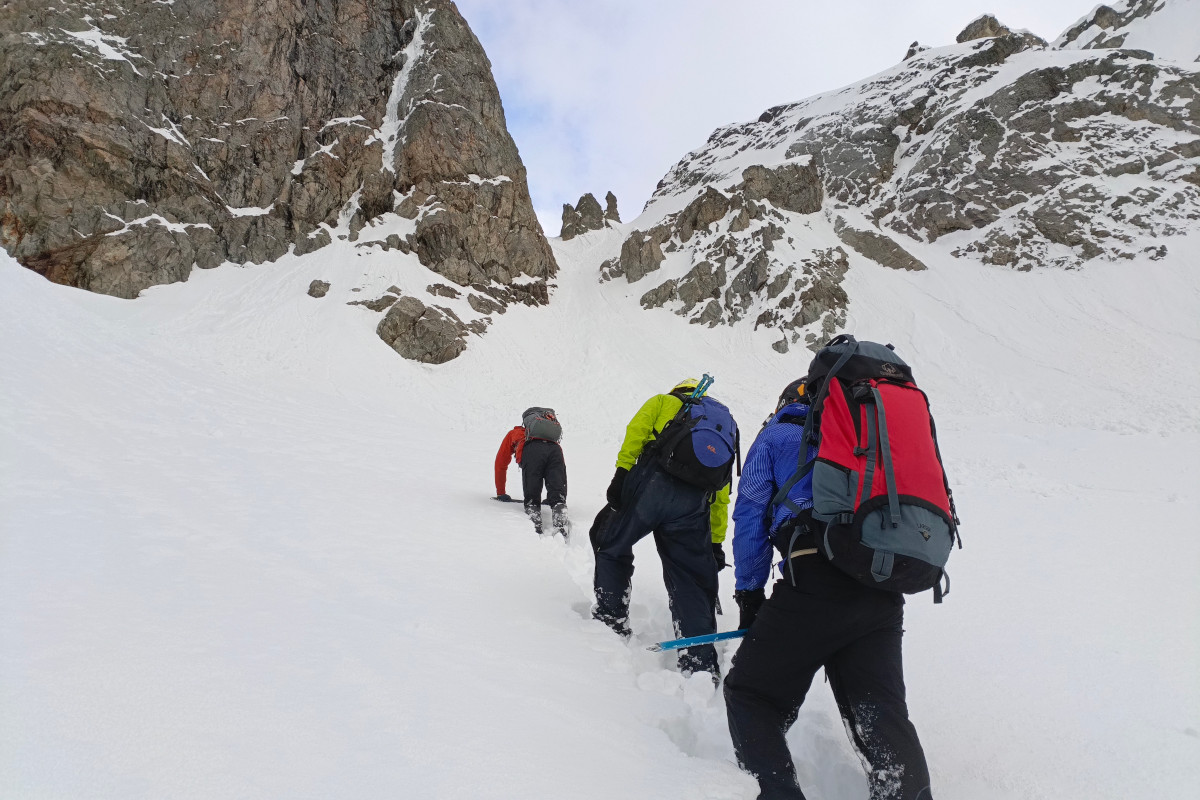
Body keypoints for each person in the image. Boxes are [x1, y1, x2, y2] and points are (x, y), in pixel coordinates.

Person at [723, 379, 933, 799]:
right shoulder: (872, 441)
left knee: (751, 695)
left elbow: (750, 517)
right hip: (881, 590)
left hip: (813, 583)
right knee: (881, 718)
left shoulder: (778, 434)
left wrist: (750, 596)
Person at [592, 378, 734, 677]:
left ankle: (612, 617)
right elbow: (721, 491)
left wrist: (622, 472)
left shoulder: (662, 402)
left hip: (649, 488)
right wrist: (715, 542)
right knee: (691, 578)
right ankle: (699, 662)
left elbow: (637, 432)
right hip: (694, 506)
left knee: (610, 541)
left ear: (678, 389)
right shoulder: (722, 425)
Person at [494, 409, 568, 535]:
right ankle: (559, 511)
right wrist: (554, 497)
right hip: (555, 451)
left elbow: (500, 463)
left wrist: (501, 493)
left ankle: (534, 516)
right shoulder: (550, 437)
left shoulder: (516, 432)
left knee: (532, 494)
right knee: (557, 485)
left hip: (532, 452)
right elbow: (558, 474)